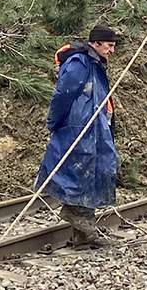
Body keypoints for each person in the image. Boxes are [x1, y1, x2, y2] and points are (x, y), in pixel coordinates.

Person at [37, 25, 120, 247]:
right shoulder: (79, 64)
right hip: (78, 128)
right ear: (97, 43)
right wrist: (54, 123)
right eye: (109, 45)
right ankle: (81, 223)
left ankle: (83, 234)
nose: (112, 50)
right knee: (79, 173)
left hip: (94, 128)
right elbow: (63, 95)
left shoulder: (94, 64)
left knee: (91, 173)